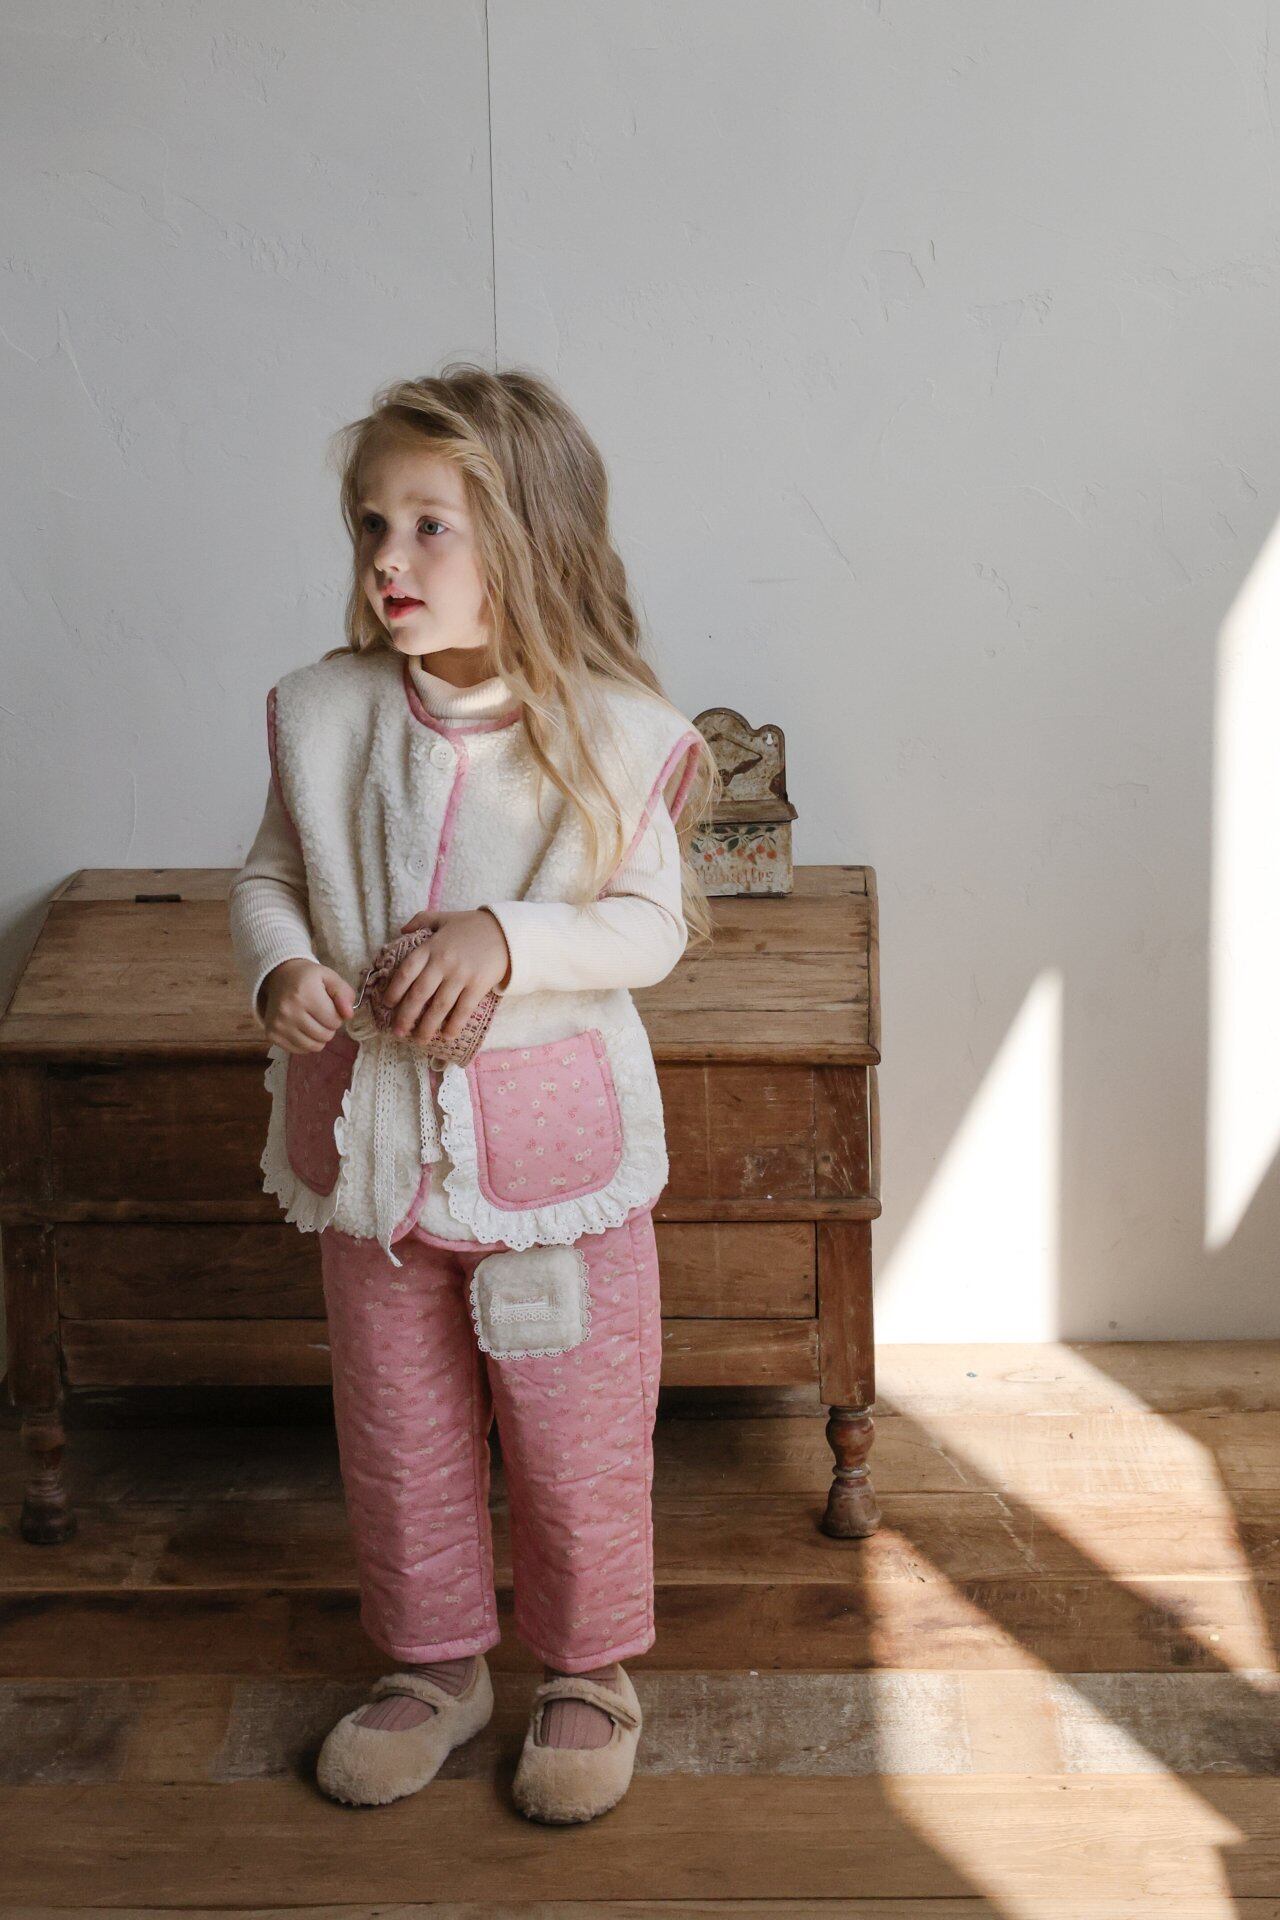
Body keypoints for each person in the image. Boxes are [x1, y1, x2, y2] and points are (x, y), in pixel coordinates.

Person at [228, 363, 719, 1824]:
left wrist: (507, 938)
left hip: (551, 1170)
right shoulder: (324, 716)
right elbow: (267, 879)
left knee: (574, 1432)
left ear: (530, 539)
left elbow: (650, 926)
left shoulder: (617, 732)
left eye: (429, 526)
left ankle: (586, 1670)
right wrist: (280, 968)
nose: (388, 557)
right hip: (373, 1161)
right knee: (397, 1431)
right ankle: (438, 1665)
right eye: (370, 524)